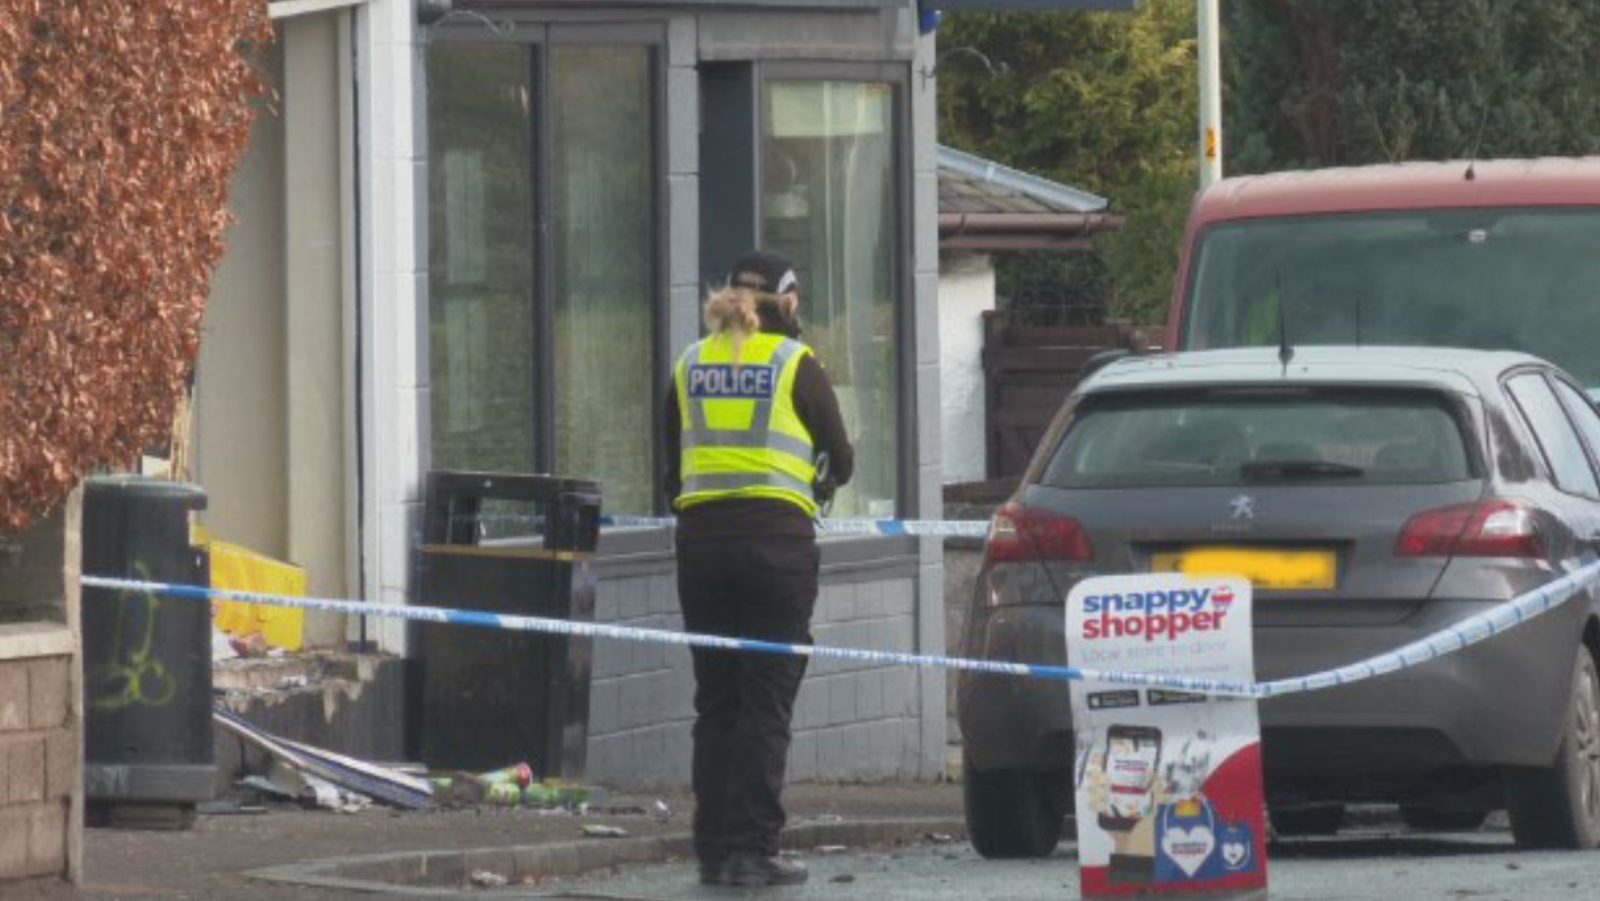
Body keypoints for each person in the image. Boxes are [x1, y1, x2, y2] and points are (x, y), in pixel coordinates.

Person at [664, 249, 854, 887]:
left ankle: (715, 850)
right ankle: (754, 849)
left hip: (702, 548)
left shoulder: (689, 363)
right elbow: (843, 459)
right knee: (765, 702)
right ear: (789, 302)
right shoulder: (795, 363)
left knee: (716, 699)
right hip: (777, 550)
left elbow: (669, 469)